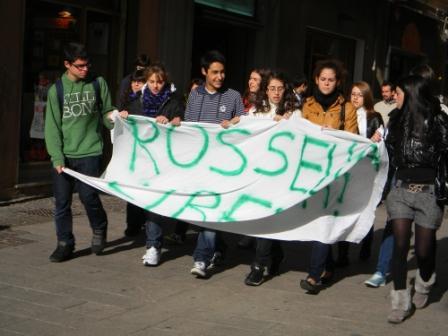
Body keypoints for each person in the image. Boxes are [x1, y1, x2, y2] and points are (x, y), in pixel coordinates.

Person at [44, 42, 124, 262]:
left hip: (90, 151)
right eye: (79, 66)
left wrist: (116, 118)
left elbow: (107, 111)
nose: (85, 69)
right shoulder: (56, 90)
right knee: (62, 203)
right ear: (67, 64)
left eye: (87, 65)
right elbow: (52, 127)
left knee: (88, 196)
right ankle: (64, 244)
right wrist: (57, 157)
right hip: (65, 155)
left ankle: (99, 227)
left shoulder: (98, 83)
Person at [385, 75, 448, 323]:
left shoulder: (439, 120)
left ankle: (425, 279)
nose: (393, 97)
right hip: (400, 190)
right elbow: (388, 152)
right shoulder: (395, 119)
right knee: (400, 246)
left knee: (423, 250)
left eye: (398, 93)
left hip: (429, 193)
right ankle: (400, 301)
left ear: (411, 94)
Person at [299, 59, 358, 294]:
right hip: (312, 172)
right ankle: (328, 267)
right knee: (317, 220)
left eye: (331, 79)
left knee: (323, 221)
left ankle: (314, 276)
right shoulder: (306, 105)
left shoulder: (348, 108)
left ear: (338, 82)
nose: (326, 83)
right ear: (316, 80)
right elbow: (300, 135)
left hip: (336, 173)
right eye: (322, 79)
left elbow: (352, 140)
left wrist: (337, 136)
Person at [186, 50, 244, 278]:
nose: (220, 77)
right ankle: (220, 248)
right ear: (204, 72)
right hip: (199, 164)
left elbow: (244, 125)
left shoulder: (233, 96)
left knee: (209, 213)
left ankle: (201, 258)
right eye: (215, 72)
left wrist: (236, 122)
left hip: (223, 167)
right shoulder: (194, 96)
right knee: (207, 212)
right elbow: (189, 128)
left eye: (222, 72)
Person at [243, 71, 301, 286]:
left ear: (285, 90)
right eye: (272, 88)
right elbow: (244, 128)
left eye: (280, 88)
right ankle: (275, 254)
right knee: (263, 217)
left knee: (267, 219)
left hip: (280, 176)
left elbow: (299, 139)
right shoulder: (257, 111)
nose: (276, 92)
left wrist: (285, 125)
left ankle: (258, 265)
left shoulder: (294, 113)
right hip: (259, 173)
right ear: (265, 90)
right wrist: (231, 123)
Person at [139, 63, 184, 266]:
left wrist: (176, 120)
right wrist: (122, 116)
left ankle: (155, 243)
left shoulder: (173, 100)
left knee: (157, 203)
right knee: (151, 203)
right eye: (152, 82)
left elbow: (182, 118)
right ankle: (153, 246)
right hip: (145, 159)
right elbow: (128, 116)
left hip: (167, 160)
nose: (156, 86)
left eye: (159, 82)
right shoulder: (137, 100)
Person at [335, 81, 384, 267]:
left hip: (366, 171)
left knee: (365, 209)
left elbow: (381, 142)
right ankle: (343, 254)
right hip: (347, 171)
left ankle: (366, 245)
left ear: (366, 97)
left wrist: (373, 140)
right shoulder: (344, 114)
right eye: (353, 94)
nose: (355, 97)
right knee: (344, 211)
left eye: (359, 94)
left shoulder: (374, 116)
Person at [117, 69, 148, 237]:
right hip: (132, 152)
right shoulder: (126, 100)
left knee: (144, 189)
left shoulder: (151, 102)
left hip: (147, 152)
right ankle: (133, 224)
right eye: (134, 81)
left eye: (141, 81)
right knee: (131, 189)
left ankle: (143, 221)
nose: (136, 84)